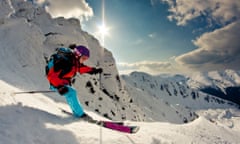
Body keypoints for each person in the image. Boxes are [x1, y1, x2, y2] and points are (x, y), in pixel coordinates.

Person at [46, 45, 102, 118]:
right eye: (84, 58)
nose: (84, 60)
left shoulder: (74, 61)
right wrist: (59, 86)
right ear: (78, 55)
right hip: (56, 82)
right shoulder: (65, 61)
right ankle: (80, 114)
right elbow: (51, 75)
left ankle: (76, 111)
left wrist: (93, 70)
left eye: (86, 59)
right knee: (72, 93)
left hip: (63, 82)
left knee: (70, 94)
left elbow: (81, 68)